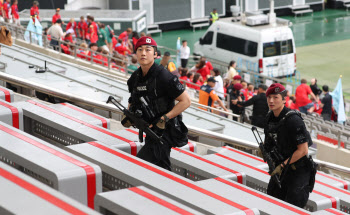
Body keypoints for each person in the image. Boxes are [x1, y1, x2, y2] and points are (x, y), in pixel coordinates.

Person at [124, 36, 191, 171]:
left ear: (155, 54)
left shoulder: (164, 76)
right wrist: (131, 116)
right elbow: (132, 99)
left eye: (148, 50)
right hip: (150, 131)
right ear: (136, 53)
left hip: (164, 131)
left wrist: (164, 118)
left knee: (140, 167)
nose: (143, 53)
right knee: (161, 168)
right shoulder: (134, 78)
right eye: (140, 50)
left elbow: (186, 101)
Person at [263, 83, 316, 208]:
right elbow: (269, 142)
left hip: (298, 171)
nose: (271, 100)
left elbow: (303, 150)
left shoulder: (293, 120)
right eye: (269, 97)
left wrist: (282, 166)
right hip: (281, 169)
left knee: (292, 207)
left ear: (284, 99)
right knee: (271, 200)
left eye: (275, 97)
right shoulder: (269, 118)